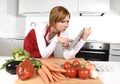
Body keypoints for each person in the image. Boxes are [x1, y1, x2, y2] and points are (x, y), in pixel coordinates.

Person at [24, 6, 91, 60]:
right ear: (53, 21)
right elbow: (44, 54)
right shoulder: (41, 27)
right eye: (63, 22)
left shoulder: (64, 33)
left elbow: (67, 56)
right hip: (30, 50)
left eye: (67, 21)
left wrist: (83, 39)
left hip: (46, 53)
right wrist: (56, 39)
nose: (66, 25)